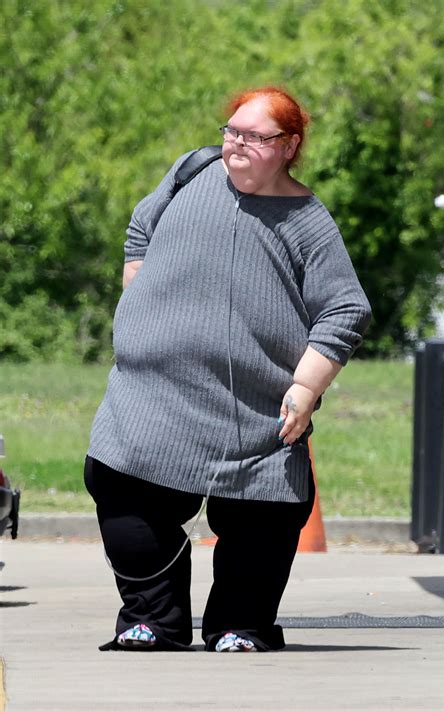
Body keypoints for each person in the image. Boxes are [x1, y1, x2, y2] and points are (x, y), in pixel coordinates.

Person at [84, 86, 371, 653]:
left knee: (264, 513)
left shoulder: (308, 222)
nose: (236, 146)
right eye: (232, 131)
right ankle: (152, 620)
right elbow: (141, 228)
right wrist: (138, 302)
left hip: (254, 410)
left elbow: (345, 309)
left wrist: (307, 387)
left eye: (254, 137)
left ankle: (241, 625)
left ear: (289, 146)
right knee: (119, 483)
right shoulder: (193, 170)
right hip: (152, 396)